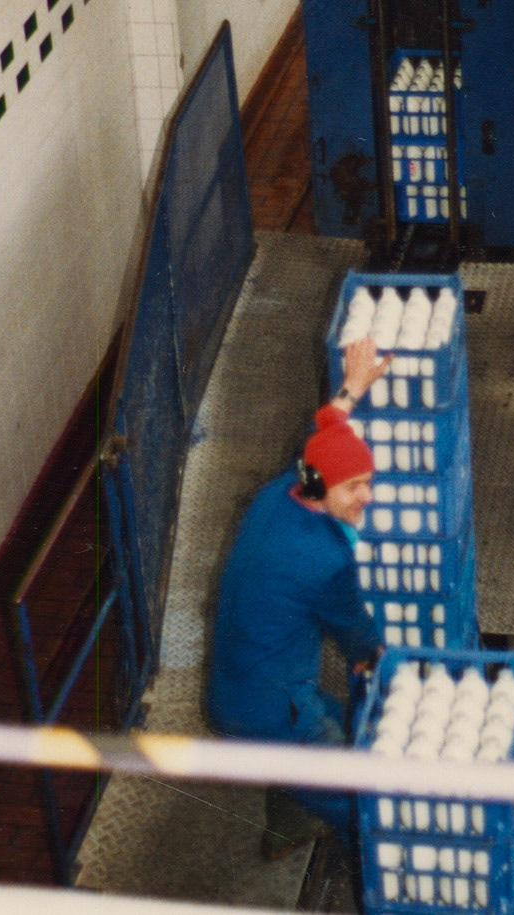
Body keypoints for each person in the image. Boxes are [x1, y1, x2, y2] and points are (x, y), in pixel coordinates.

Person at [207, 335, 390, 859]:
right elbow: (355, 630)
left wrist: (353, 387)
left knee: (328, 718)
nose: (367, 497)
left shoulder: (283, 493)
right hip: (269, 710)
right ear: (323, 487)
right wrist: (378, 660)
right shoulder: (324, 557)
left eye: (368, 482)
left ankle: (290, 822)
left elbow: (321, 434)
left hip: (243, 687)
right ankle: (381, 871)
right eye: (355, 487)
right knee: (359, 803)